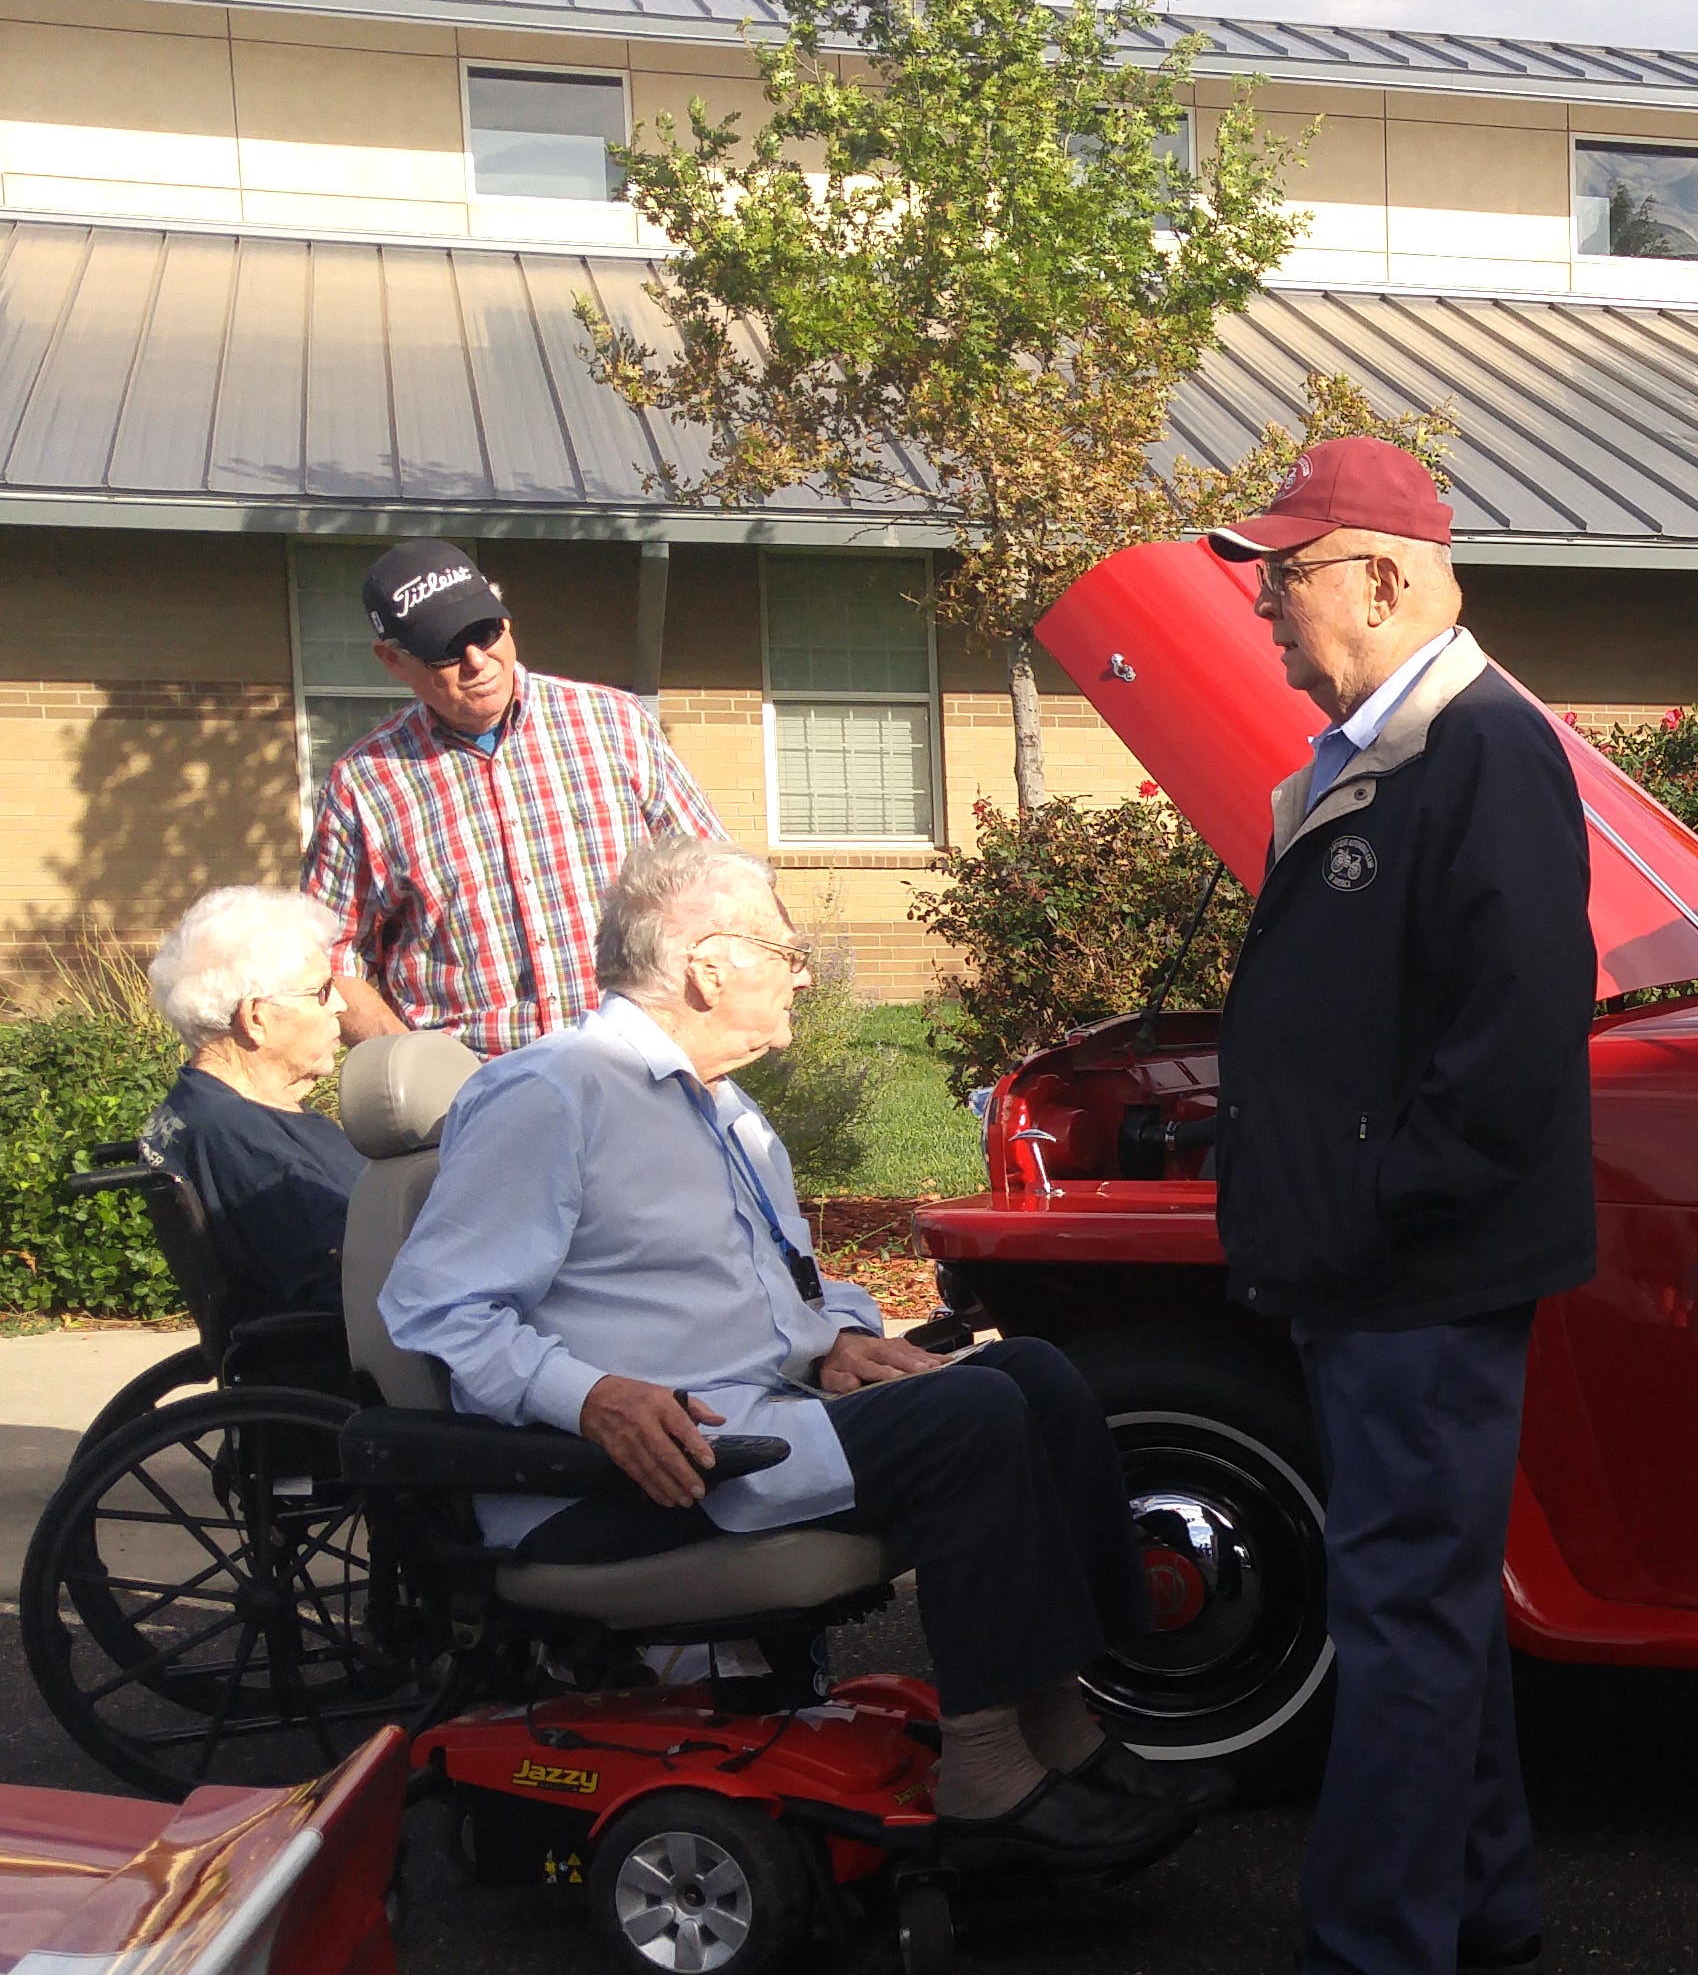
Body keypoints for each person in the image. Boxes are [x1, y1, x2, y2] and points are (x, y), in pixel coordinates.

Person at [377, 839, 1175, 1846]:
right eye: (784, 951)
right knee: (970, 1413)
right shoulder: (554, 1093)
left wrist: (833, 1339)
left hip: (747, 1425)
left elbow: (777, 1285)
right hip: (617, 1476)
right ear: (707, 966)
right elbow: (439, 1308)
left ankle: (1059, 1722)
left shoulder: (724, 1109)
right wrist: (589, 1396)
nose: (802, 974)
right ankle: (984, 1770)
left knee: (1036, 1375)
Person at [1198, 436, 1598, 1975]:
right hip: (1381, 1264)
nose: (1264, 604)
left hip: (1410, 1274)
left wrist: (1363, 1213)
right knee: (1432, 1600)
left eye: (1283, 572)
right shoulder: (1385, 748)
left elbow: (1509, 1049)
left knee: (1403, 1618)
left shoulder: (1478, 749)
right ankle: (1483, 1907)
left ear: (1384, 576)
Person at [302, 538, 727, 1058]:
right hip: (476, 1093)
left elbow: (718, 879)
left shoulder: (615, 722)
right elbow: (329, 953)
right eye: (446, 649)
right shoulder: (363, 784)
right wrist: (417, 1072)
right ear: (393, 660)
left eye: (485, 631)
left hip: (641, 1063)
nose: (479, 661)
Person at [137, 883, 362, 1320]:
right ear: (256, 1018)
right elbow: (344, 1286)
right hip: (350, 1360)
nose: (340, 1003)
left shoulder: (206, 1106)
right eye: (321, 991)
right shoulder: (243, 1142)